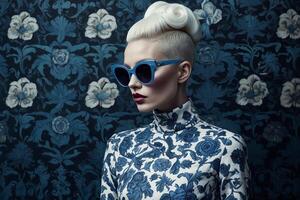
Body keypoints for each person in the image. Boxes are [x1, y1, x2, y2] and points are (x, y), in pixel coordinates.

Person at [100, 1, 251, 199]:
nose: (132, 83)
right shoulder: (119, 146)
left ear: (182, 71)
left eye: (144, 70)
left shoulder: (226, 146)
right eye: (125, 73)